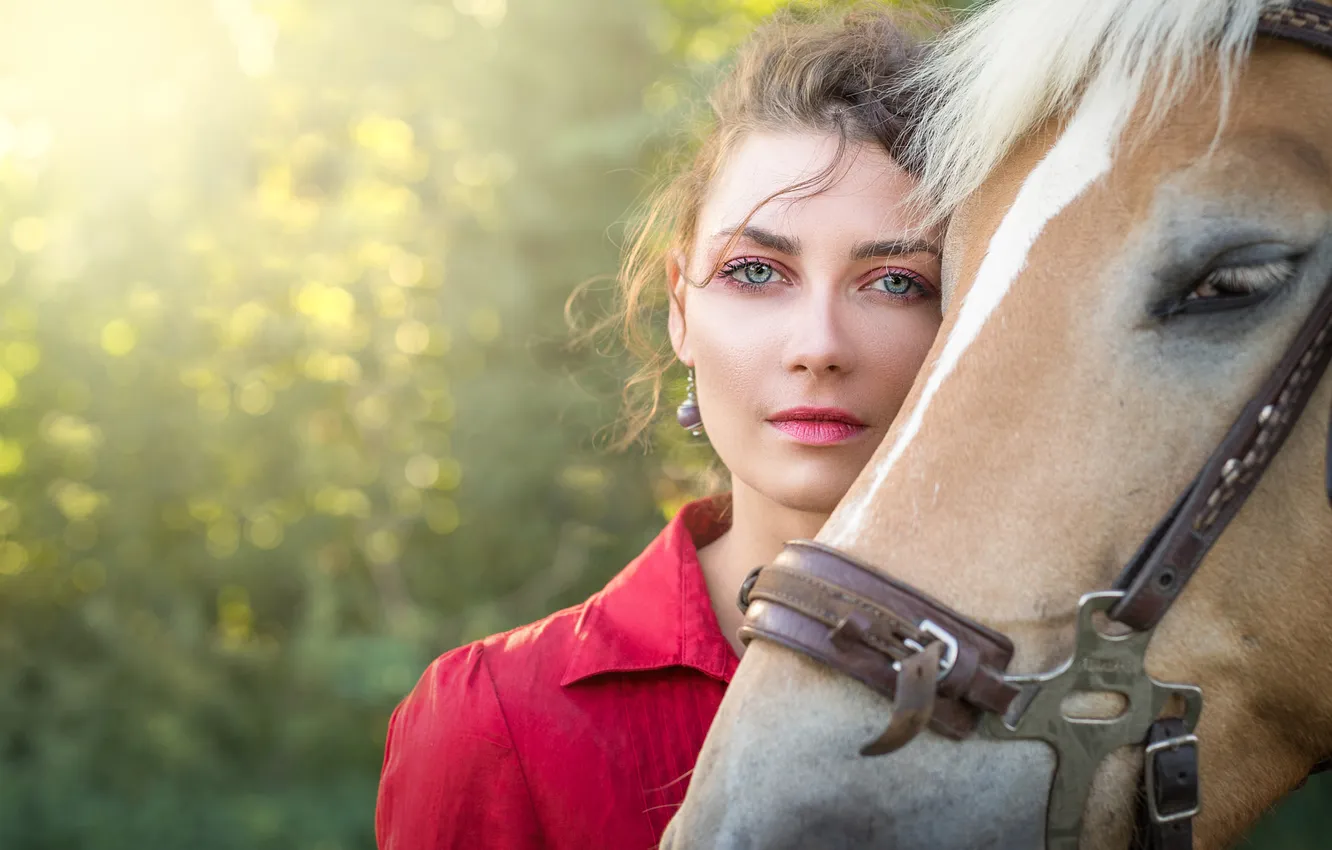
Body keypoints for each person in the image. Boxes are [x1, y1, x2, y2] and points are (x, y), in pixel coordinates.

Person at [375, 5, 947, 848]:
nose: (819, 347)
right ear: (681, 305)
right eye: (757, 272)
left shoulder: (1081, 707)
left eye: (896, 282)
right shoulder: (499, 721)